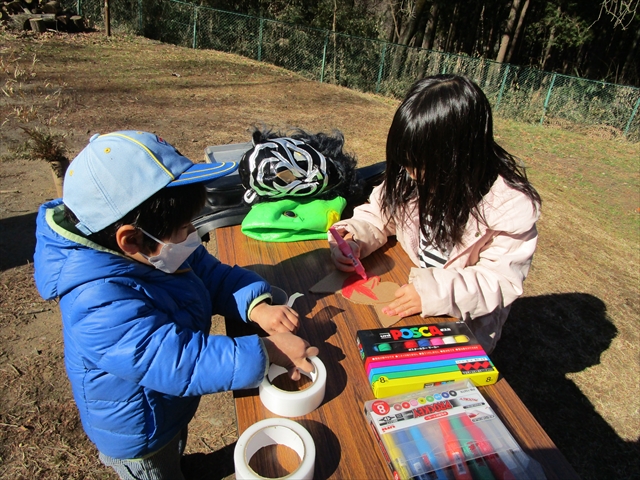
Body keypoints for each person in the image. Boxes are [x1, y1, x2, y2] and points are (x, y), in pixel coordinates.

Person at [33, 130, 318, 479]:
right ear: (131, 239)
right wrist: (267, 349)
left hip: (167, 408)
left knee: (174, 450)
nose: (192, 238)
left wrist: (256, 306)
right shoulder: (96, 301)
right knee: (159, 466)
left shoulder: (156, 251)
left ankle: (182, 466)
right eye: (184, 228)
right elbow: (180, 360)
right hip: (141, 433)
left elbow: (211, 276)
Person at [329, 75, 541, 353]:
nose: (410, 174)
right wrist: (355, 236)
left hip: (462, 328)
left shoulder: (507, 208)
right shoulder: (412, 176)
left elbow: (498, 282)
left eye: (419, 165)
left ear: (460, 157)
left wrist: (432, 293)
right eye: (405, 162)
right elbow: (379, 214)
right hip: (409, 301)